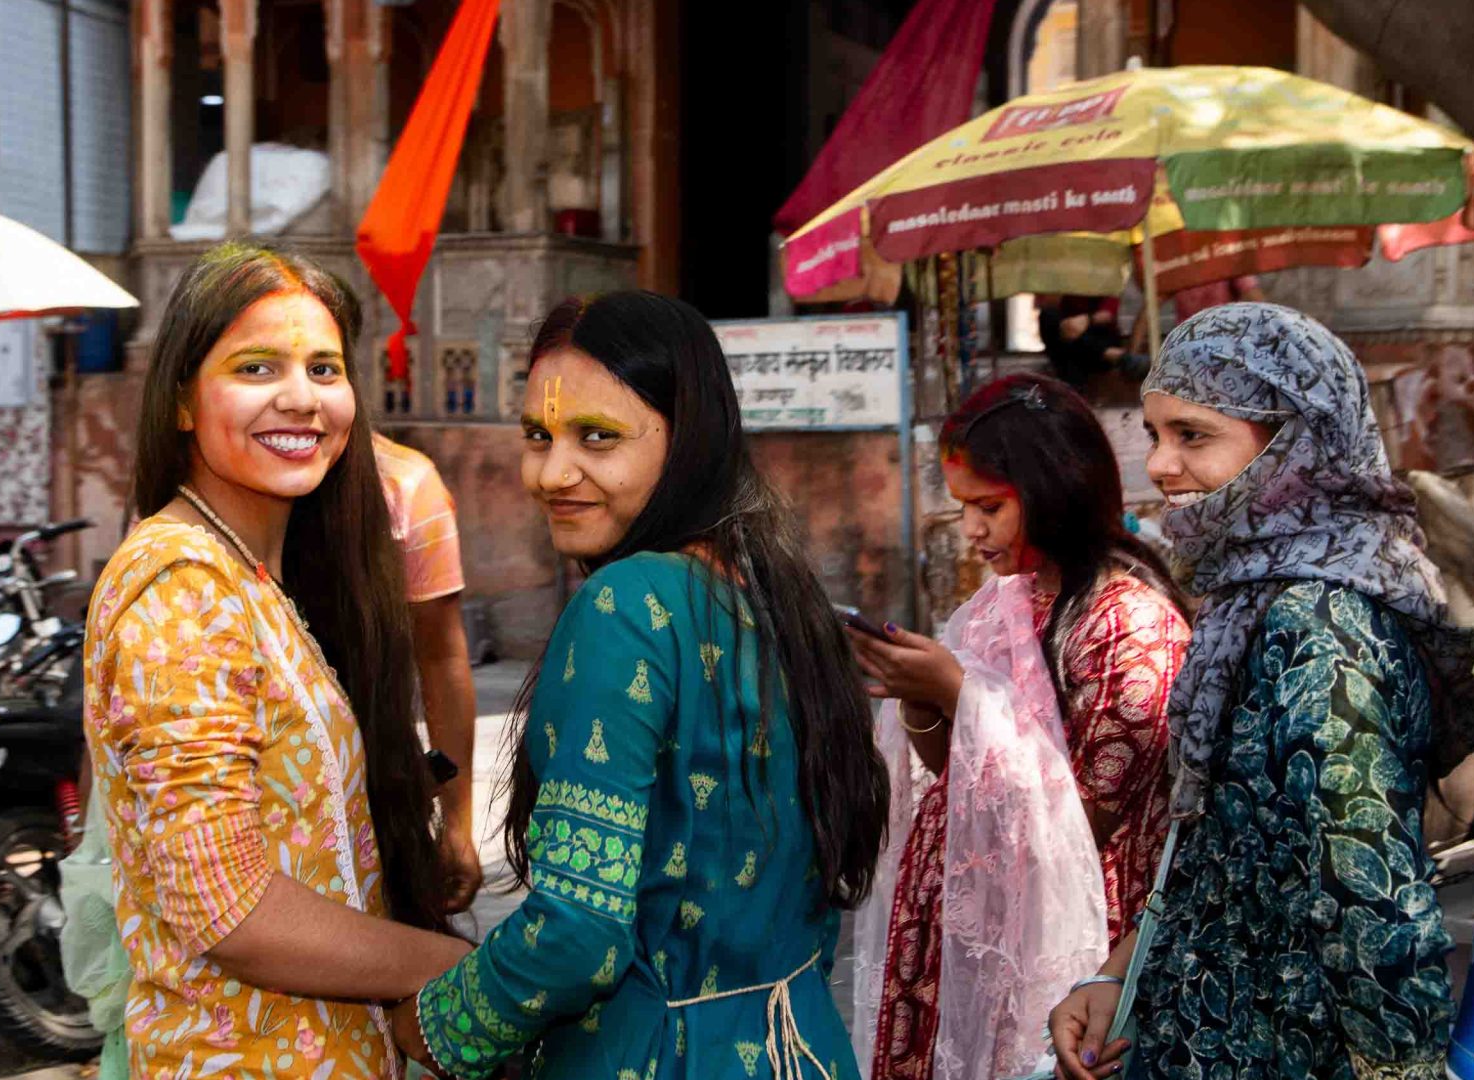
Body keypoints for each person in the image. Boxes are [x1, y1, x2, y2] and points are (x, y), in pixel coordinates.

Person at [389, 291, 890, 1079]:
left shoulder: (625, 606)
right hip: (800, 1046)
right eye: (536, 436)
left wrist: (436, 1025)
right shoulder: (775, 589)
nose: (553, 473)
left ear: (687, 441)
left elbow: (579, 932)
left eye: (597, 436)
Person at [1048, 303, 1474, 1080]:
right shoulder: (1252, 593)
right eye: (1154, 434)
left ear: (1297, 445)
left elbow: (1373, 906)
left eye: (1194, 435)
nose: (1157, 465)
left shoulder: (1319, 625)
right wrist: (1117, 973)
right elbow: (1222, 850)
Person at [83, 241, 468, 1078]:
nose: (302, 399)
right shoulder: (182, 585)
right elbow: (228, 910)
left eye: (325, 370)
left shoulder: (249, 574)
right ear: (183, 400)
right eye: (258, 368)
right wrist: (453, 971)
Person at [843, 374, 1190, 1080]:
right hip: (969, 939)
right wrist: (922, 699)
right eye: (963, 508)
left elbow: (1076, 828)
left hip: (1077, 954)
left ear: (1056, 489)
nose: (972, 530)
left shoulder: (1132, 628)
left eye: (989, 507)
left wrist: (959, 691)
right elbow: (956, 778)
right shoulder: (998, 606)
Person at [374, 432, 483, 908]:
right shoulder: (189, 497)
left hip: (376, 795)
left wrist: (457, 823)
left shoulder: (404, 486)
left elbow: (441, 657)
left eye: (323, 369)